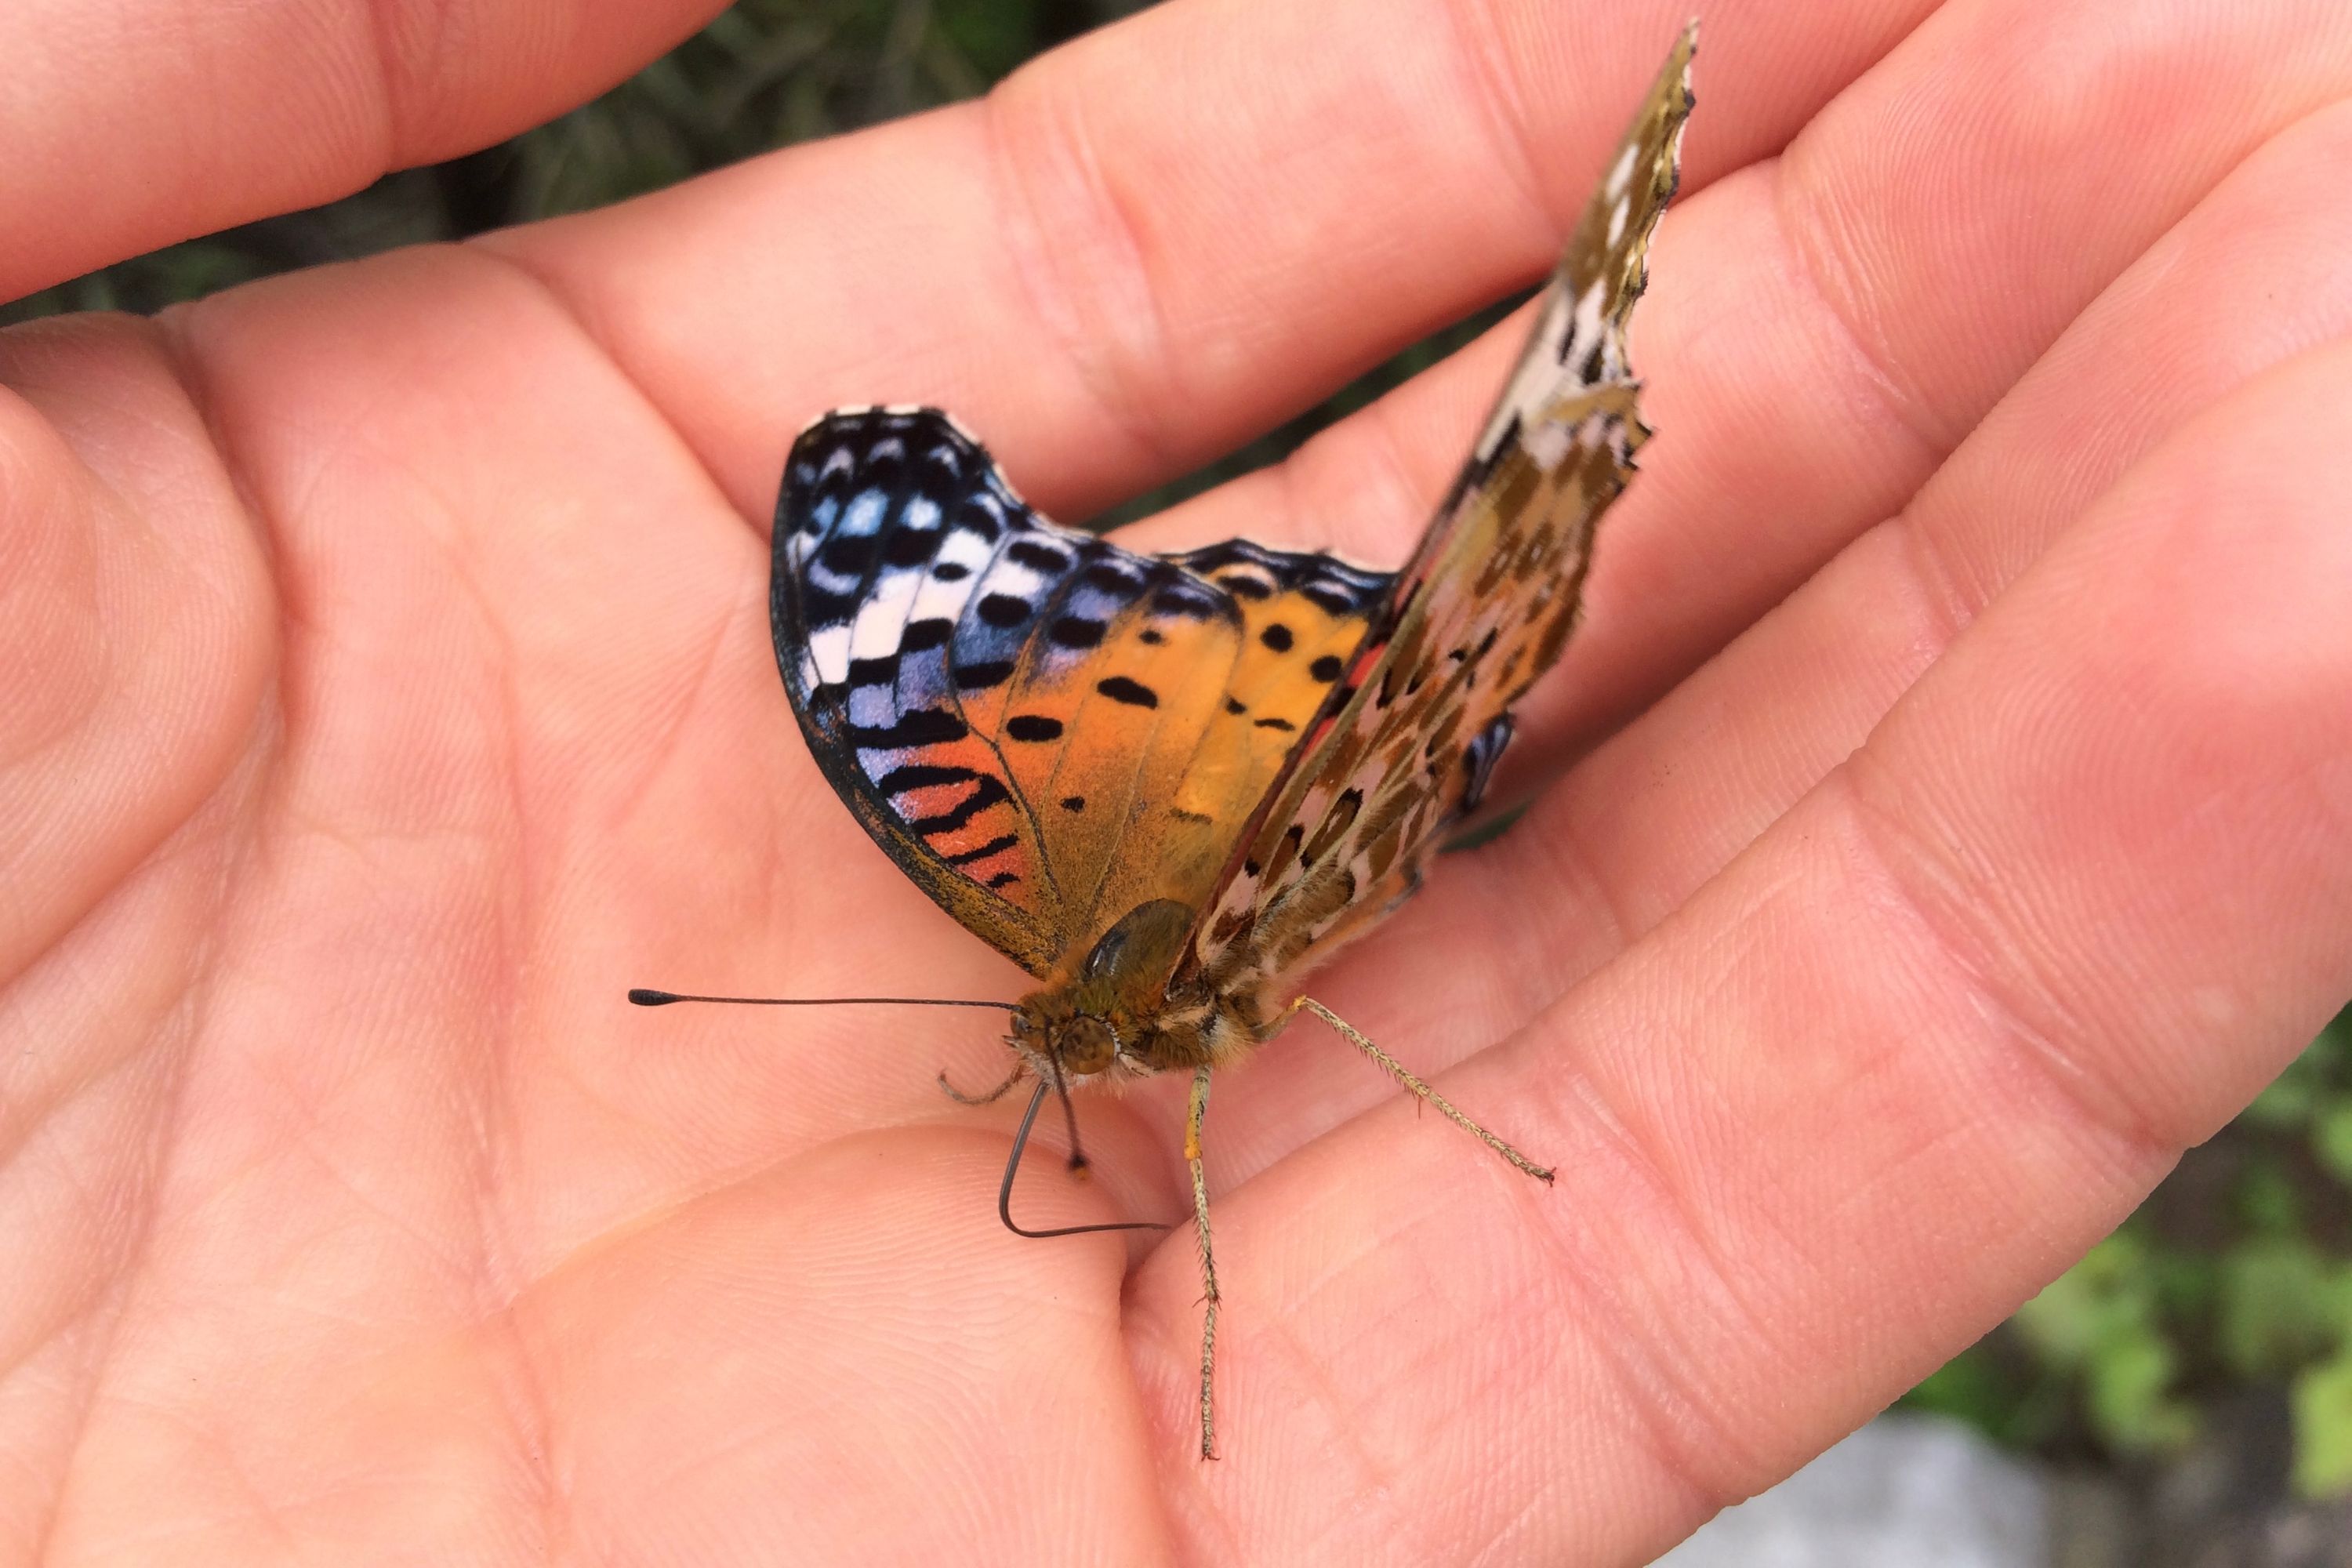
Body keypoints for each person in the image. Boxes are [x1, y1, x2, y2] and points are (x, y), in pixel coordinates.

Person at [4, 0, 2347, 1562]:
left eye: (1065, 1054)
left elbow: (1226, 987)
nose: (1050, 1066)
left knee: (1023, 801)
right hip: (1327, 706)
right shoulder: (1049, 952)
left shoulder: (1073, 928)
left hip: (1355, 727)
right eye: (1056, 1059)